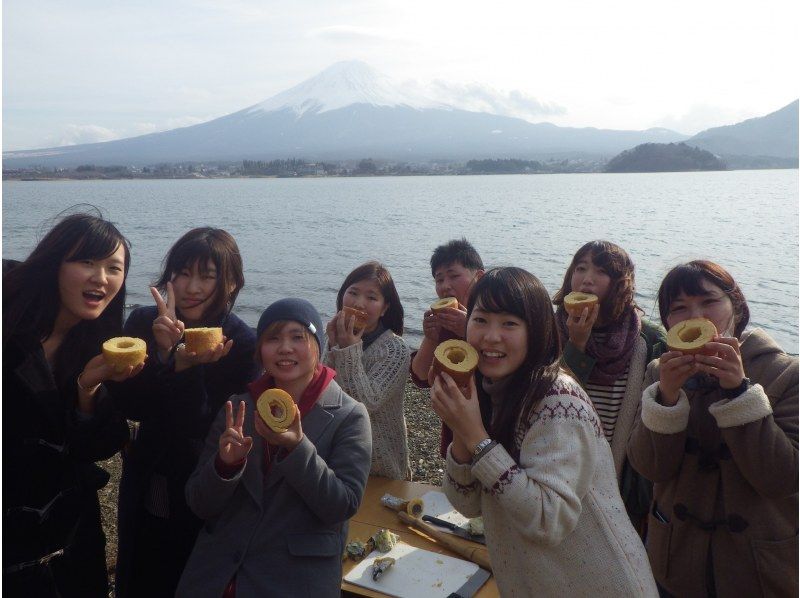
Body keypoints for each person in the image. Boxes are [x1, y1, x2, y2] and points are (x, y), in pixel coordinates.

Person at [433, 267, 657, 597]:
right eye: (480, 320)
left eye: (509, 323)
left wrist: (477, 437)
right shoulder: (490, 392)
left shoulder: (558, 402)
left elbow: (547, 519)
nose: (491, 336)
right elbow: (466, 504)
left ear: (536, 330)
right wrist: (462, 434)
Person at [176, 298, 372, 598]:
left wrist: (297, 449)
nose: (285, 348)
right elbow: (199, 503)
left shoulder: (349, 416)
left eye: (298, 337)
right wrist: (225, 467)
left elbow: (341, 506)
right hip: (216, 576)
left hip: (294, 579)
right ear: (260, 352)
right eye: (273, 338)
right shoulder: (240, 407)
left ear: (318, 347)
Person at [627, 260, 798, 597]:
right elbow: (649, 467)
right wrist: (666, 398)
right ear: (667, 322)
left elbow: (782, 478)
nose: (696, 316)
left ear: (736, 306)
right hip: (675, 562)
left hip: (759, 570)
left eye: (709, 302)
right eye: (679, 308)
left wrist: (739, 393)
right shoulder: (657, 374)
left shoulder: (786, 373)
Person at [111, 227, 259, 598]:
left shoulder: (240, 342)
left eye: (207, 276)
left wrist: (184, 366)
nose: (192, 287)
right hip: (151, 471)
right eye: (183, 273)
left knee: (194, 573)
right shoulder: (144, 323)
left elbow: (205, 422)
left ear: (230, 283)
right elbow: (130, 406)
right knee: (140, 568)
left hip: (208, 479)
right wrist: (163, 356)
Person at [3, 212, 142, 597]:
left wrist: (88, 387)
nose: (102, 278)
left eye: (114, 268)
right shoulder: (8, 313)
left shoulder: (101, 348)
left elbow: (97, 446)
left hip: (69, 541)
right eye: (87, 262)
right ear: (55, 264)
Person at [552, 240, 666, 532]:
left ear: (620, 283)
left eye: (601, 271)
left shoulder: (646, 341)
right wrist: (576, 342)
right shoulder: (549, 330)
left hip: (619, 469)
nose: (587, 278)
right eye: (581, 268)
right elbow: (553, 397)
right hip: (559, 458)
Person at [324, 261, 411, 479]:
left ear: (385, 308)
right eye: (353, 293)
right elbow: (323, 392)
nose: (359, 304)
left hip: (380, 464)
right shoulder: (334, 337)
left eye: (371, 298)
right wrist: (333, 346)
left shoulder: (394, 348)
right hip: (336, 457)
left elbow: (365, 403)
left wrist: (347, 349)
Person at [409, 238, 484, 456]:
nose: (445, 286)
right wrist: (431, 337)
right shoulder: (446, 324)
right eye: (439, 279)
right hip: (454, 431)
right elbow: (420, 376)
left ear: (478, 277)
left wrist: (470, 330)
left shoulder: (496, 319)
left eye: (453, 276)